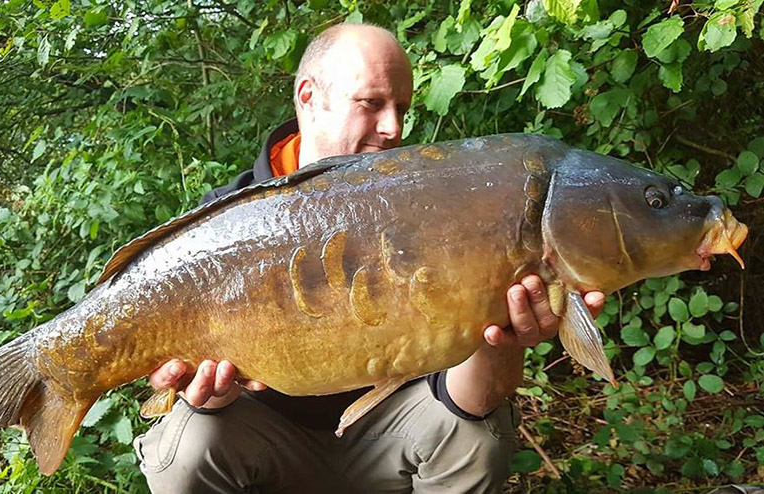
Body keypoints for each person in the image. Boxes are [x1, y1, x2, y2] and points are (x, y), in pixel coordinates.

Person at [133, 23, 605, 493]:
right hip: (267, 443)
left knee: (474, 437)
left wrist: (501, 338)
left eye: (401, 108)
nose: (393, 128)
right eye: (371, 103)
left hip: (390, 439)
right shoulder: (219, 226)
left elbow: (469, 403)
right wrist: (206, 395)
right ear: (309, 96)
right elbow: (181, 388)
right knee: (189, 443)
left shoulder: (440, 204)